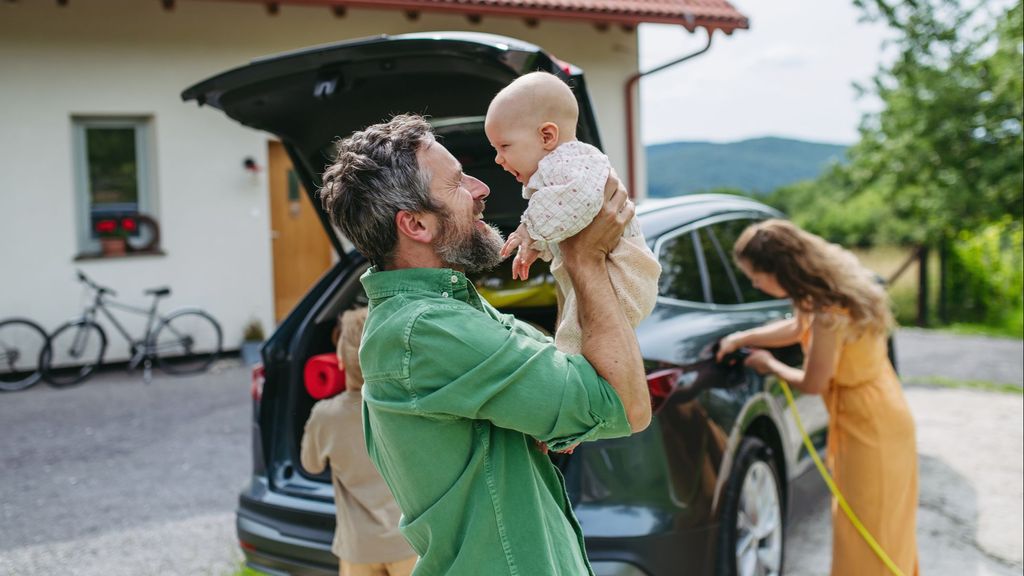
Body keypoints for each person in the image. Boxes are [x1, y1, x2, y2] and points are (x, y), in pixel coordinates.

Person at [318, 113, 650, 575]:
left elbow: (572, 370)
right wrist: (585, 259)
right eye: (457, 182)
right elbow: (623, 405)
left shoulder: (448, 312)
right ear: (415, 224)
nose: (481, 188)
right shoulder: (429, 331)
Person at [716, 219, 919, 576]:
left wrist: (769, 365)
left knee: (870, 527)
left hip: (870, 426)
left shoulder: (826, 312)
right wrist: (744, 338)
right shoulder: (818, 294)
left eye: (755, 276)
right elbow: (796, 329)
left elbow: (814, 383)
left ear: (779, 271)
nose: (754, 284)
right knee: (872, 523)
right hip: (879, 409)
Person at [484, 71, 661, 353]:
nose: (498, 158)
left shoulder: (572, 162)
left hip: (623, 274)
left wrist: (529, 231)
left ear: (547, 135)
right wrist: (537, 245)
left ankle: (571, 379)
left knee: (573, 344)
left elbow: (580, 201)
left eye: (504, 146)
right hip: (608, 273)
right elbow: (566, 219)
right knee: (575, 333)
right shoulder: (556, 169)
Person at [300, 307, 418, 576]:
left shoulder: (325, 416)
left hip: (359, 548)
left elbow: (311, 465)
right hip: (409, 542)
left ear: (339, 362)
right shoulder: (408, 406)